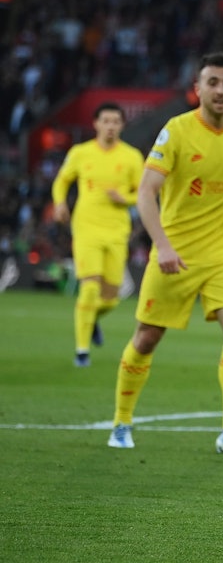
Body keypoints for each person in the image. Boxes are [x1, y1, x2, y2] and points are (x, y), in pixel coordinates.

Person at [106, 52, 223, 454]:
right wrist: (162, 246)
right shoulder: (175, 131)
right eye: (212, 82)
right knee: (147, 337)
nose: (221, 90)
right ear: (198, 89)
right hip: (175, 252)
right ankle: (121, 422)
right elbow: (145, 193)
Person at [51, 102, 144, 366]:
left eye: (116, 121)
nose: (111, 126)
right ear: (96, 123)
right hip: (86, 228)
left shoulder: (132, 157)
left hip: (117, 231)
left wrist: (123, 197)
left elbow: (143, 194)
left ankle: (91, 319)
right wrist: (59, 203)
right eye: (106, 121)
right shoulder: (80, 153)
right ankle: (82, 352)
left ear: (122, 125)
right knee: (89, 288)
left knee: (112, 298)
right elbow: (62, 180)